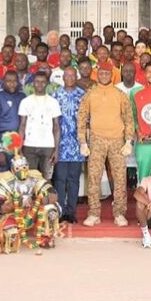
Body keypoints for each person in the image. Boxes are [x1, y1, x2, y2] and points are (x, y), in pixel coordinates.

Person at [77, 62, 134, 226]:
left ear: (111, 75)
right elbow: (81, 118)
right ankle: (94, 213)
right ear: (97, 74)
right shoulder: (90, 94)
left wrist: (128, 141)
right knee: (94, 178)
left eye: (107, 73)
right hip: (96, 140)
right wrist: (83, 142)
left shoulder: (120, 94)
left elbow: (128, 119)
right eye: (101, 73)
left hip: (117, 140)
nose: (104, 76)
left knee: (120, 178)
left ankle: (119, 213)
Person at [0, 151, 59, 251]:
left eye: (24, 167)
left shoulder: (35, 178)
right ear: (12, 169)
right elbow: (0, 207)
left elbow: (53, 196)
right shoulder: (4, 181)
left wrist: (35, 200)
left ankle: (46, 237)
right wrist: (18, 203)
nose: (22, 170)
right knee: (11, 238)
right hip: (13, 215)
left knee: (50, 210)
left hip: (32, 212)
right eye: (18, 168)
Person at [51, 68, 86, 223]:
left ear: (76, 77)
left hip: (77, 144)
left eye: (73, 75)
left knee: (74, 179)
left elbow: (87, 118)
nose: (70, 78)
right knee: (59, 178)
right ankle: (60, 210)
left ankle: (71, 212)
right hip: (60, 144)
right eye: (67, 75)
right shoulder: (55, 95)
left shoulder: (83, 95)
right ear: (63, 77)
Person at [18, 72, 61, 181]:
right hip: (29, 145)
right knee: (29, 179)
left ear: (47, 84)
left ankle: (46, 194)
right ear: (33, 83)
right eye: (37, 82)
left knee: (46, 180)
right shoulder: (25, 102)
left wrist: (56, 150)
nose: (40, 84)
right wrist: (19, 147)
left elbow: (56, 127)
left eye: (43, 82)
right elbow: (22, 125)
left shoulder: (53, 102)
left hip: (48, 146)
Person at [0, 71, 26, 177]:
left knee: (19, 176)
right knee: (2, 177)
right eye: (8, 81)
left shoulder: (22, 96)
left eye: (14, 81)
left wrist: (22, 145)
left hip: (19, 143)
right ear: (3, 82)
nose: (12, 84)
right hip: (3, 142)